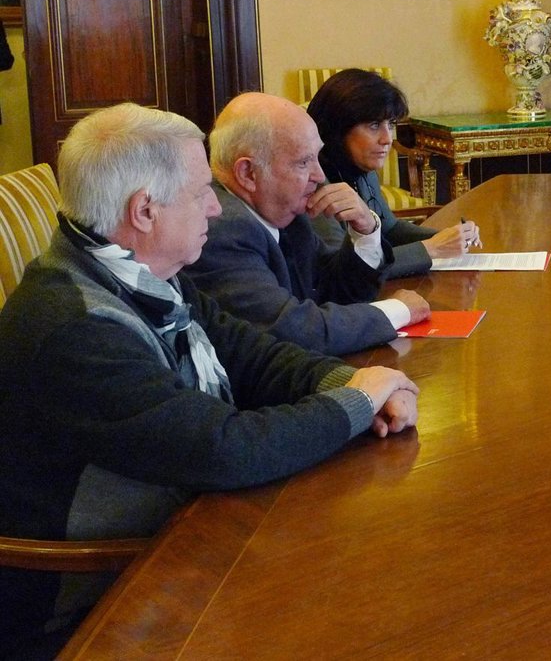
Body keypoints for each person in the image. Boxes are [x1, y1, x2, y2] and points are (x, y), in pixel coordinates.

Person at [0, 104, 420, 657]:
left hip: (180, 534)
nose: (216, 208)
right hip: (87, 601)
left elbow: (251, 355)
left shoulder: (143, 276)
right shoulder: (77, 326)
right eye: (201, 192)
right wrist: (357, 402)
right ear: (145, 211)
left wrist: (355, 379)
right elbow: (223, 448)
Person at [186, 92, 430, 356]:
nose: (320, 175)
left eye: (317, 157)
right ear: (248, 173)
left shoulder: (285, 213)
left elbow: (334, 292)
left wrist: (365, 231)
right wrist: (396, 311)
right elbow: (292, 332)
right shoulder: (221, 228)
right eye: (303, 162)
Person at [306, 68, 480, 278]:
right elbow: (341, 271)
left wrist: (448, 237)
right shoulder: (312, 182)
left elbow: (389, 230)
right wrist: (431, 248)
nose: (387, 139)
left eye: (390, 124)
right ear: (337, 129)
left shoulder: (360, 167)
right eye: (374, 125)